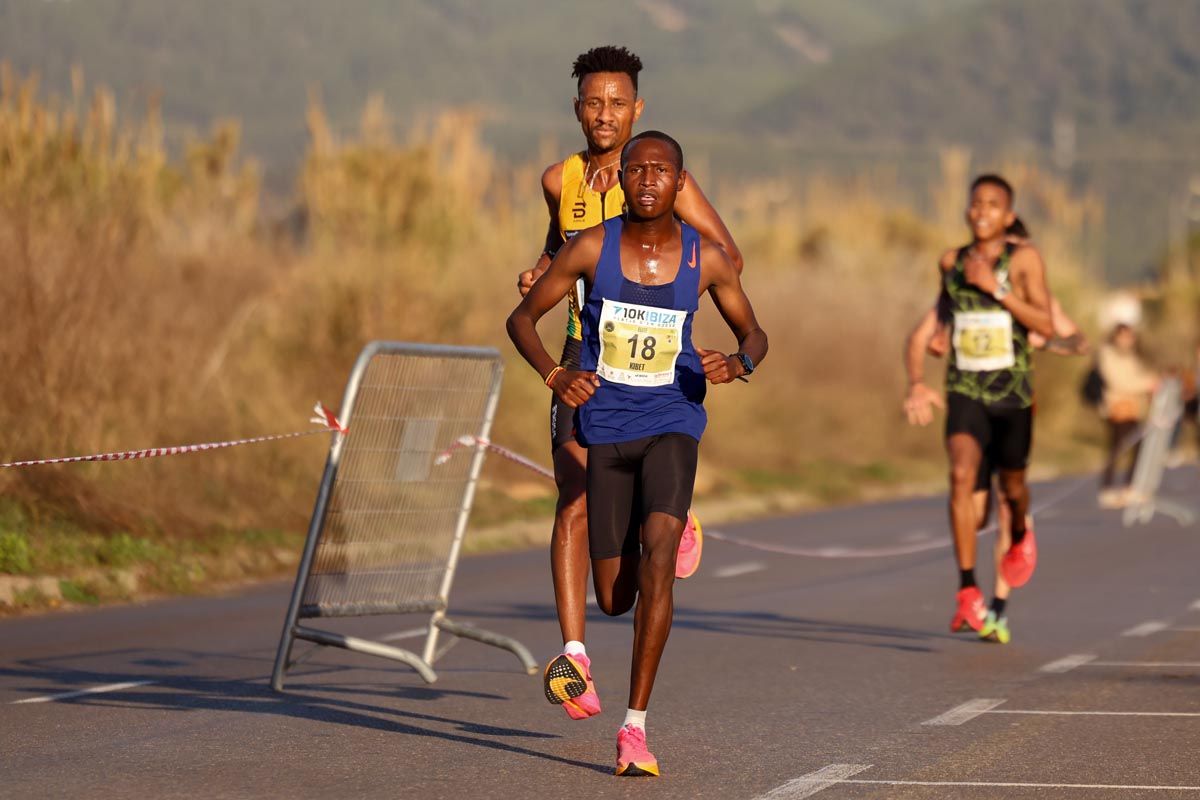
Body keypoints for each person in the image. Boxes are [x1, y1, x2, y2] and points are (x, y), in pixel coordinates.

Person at [507, 131, 767, 776]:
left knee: (658, 561)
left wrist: (738, 363)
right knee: (614, 597)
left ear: (681, 183)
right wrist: (554, 375)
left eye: (662, 171)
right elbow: (521, 320)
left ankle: (634, 728)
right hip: (607, 425)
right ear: (621, 179)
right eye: (637, 169)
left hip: (674, 419)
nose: (649, 179)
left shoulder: (705, 258)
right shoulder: (591, 247)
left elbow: (754, 332)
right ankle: (649, 525)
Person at [905, 219, 1087, 643]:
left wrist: (1043, 341)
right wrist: (925, 364)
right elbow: (922, 334)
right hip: (972, 404)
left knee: (1008, 501)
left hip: (1013, 405)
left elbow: (1077, 340)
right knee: (977, 509)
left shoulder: (1035, 295)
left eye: (1017, 248)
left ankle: (998, 610)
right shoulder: (964, 285)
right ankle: (974, 593)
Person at [1096, 323, 1158, 507]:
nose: (1127, 340)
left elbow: (1141, 375)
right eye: (1123, 336)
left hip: (1136, 408)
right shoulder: (1107, 355)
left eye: (1130, 337)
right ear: (1115, 337)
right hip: (1117, 407)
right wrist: (1148, 383)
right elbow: (1119, 381)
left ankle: (1130, 487)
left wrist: (1152, 381)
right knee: (1117, 447)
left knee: (1138, 448)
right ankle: (1107, 487)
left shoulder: (1134, 356)